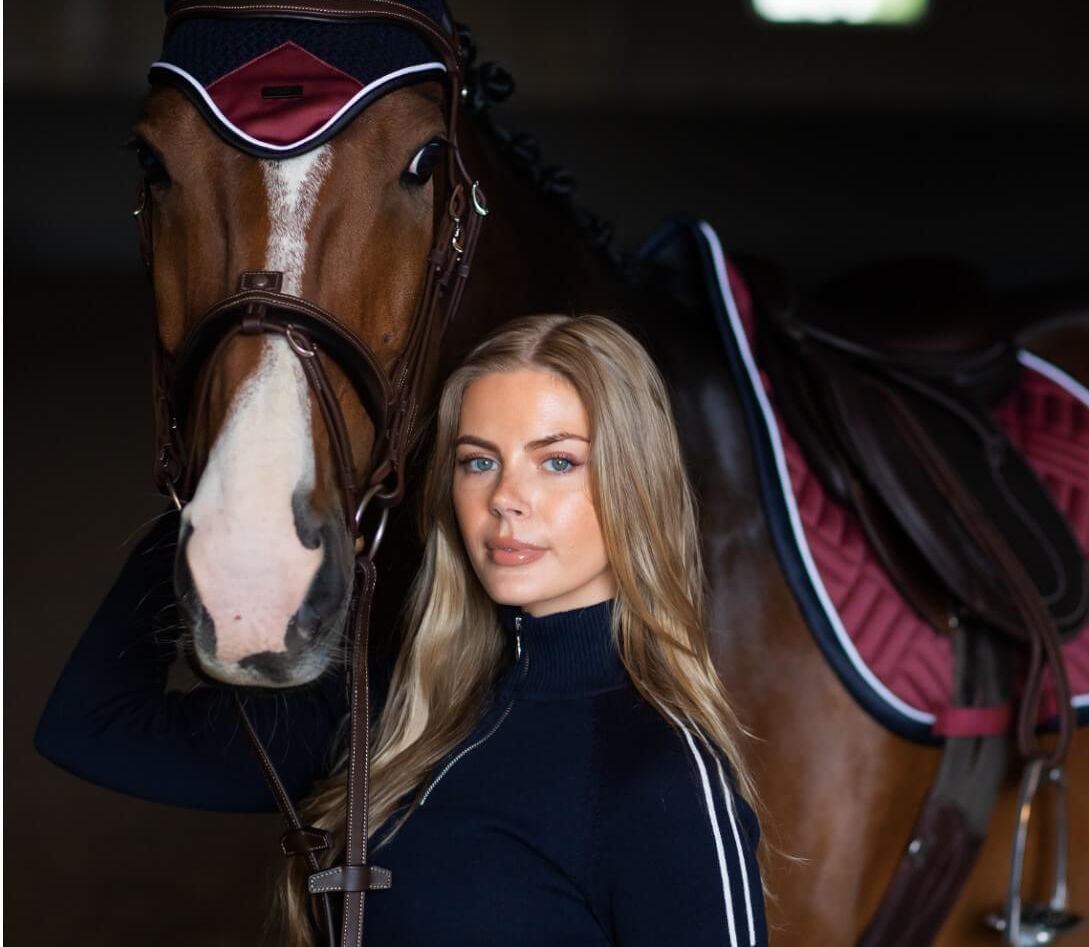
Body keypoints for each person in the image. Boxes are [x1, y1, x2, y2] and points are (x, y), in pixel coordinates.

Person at [36, 312, 774, 945]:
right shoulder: (387, 709)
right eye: (478, 461)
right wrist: (212, 505)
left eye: (557, 462)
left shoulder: (662, 777)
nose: (506, 498)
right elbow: (92, 729)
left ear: (634, 483)